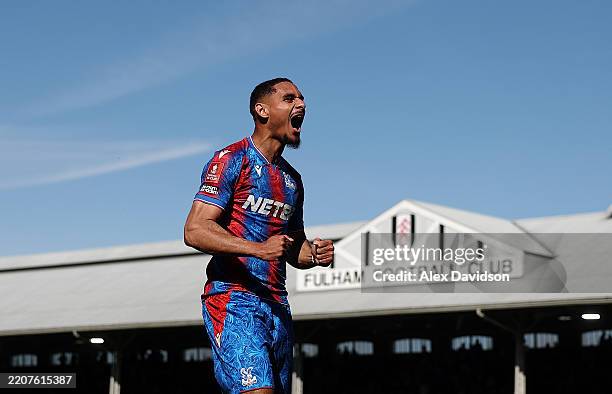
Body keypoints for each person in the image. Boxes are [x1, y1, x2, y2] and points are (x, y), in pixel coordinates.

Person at [184, 77, 334, 394]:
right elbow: (195, 230)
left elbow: (295, 250)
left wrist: (314, 254)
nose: (301, 104)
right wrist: (257, 249)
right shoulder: (231, 160)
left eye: (302, 99)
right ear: (262, 110)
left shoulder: (292, 180)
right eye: (289, 98)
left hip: (277, 304)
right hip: (234, 298)